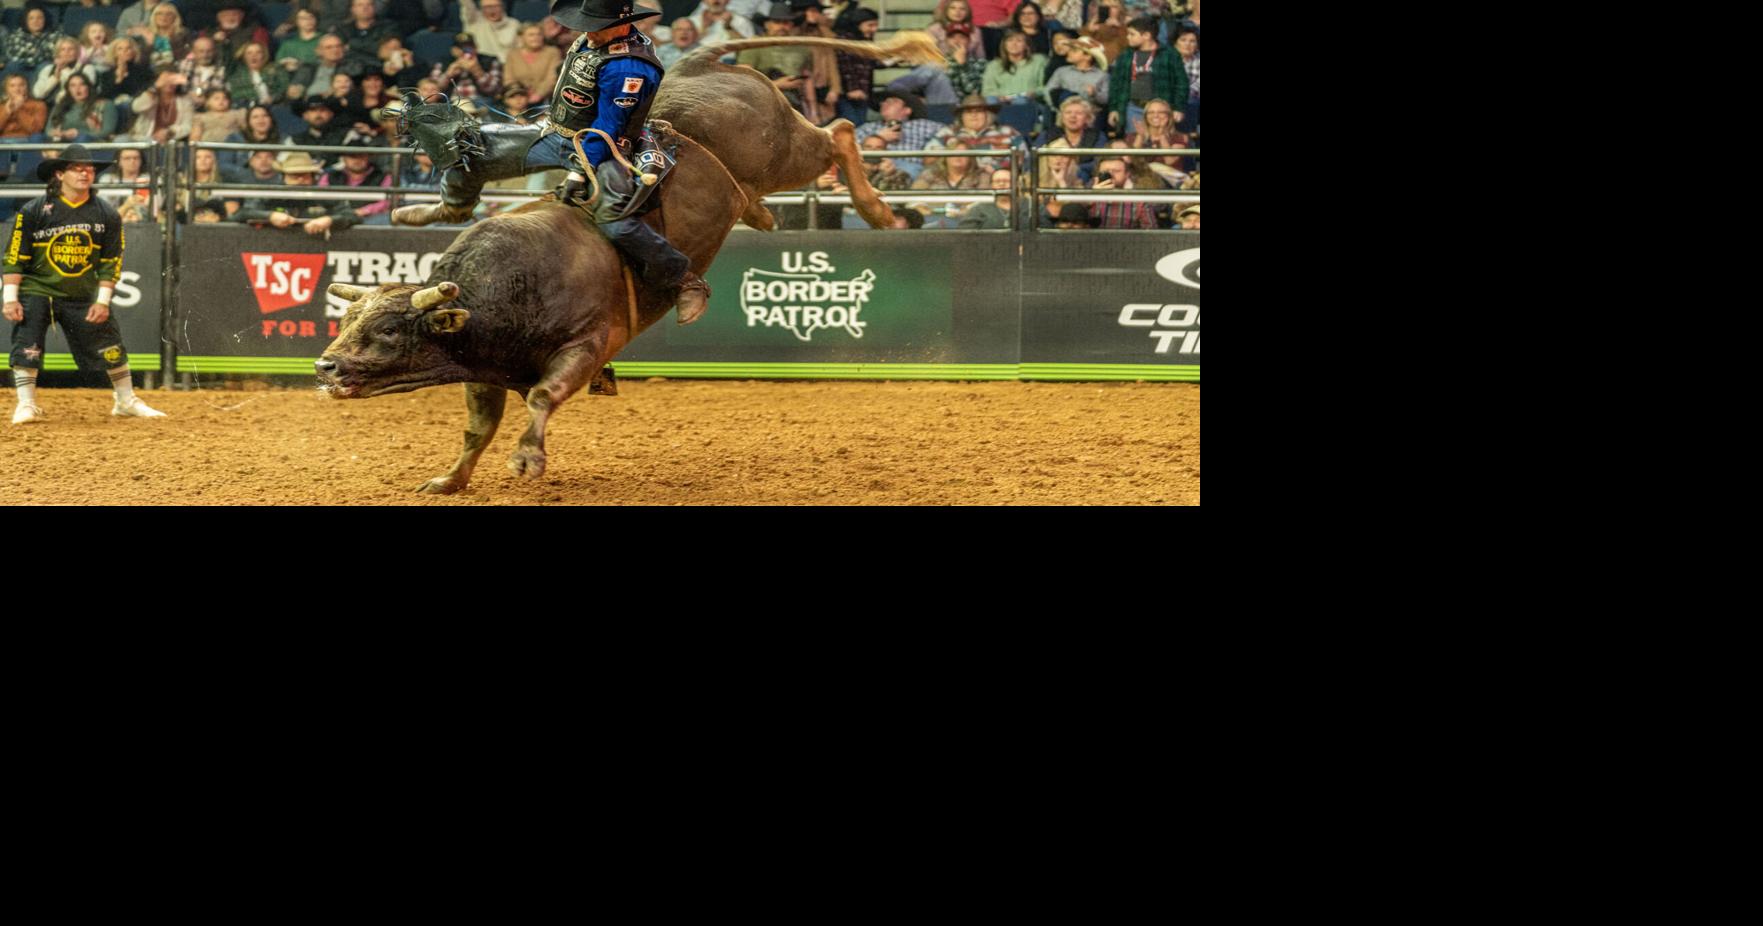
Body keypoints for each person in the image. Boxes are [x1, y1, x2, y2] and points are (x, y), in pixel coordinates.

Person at [391, 0, 710, 326]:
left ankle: (684, 279)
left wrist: (578, 170)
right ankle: (454, 206)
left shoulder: (629, 68)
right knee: (468, 148)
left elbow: (608, 127)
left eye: (596, 24)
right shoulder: (594, 40)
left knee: (617, 222)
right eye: (587, 22)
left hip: (607, 148)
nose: (588, 30)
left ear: (621, 24)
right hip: (557, 131)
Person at [5, 144, 167, 424]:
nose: (85, 173)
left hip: (82, 291)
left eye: (90, 169)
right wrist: (10, 297)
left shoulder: (106, 214)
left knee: (110, 343)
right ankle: (26, 404)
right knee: (27, 344)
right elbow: (15, 256)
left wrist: (102, 300)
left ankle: (126, 400)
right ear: (59, 174)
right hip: (37, 288)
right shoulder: (34, 210)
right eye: (77, 168)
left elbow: (111, 259)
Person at [232, 149, 360, 235]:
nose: (300, 180)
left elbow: (352, 216)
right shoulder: (271, 194)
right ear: (283, 177)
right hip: (274, 248)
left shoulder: (323, 195)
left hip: (318, 247)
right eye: (294, 176)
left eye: (304, 175)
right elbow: (241, 214)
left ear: (313, 177)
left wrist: (330, 220)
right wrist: (270, 216)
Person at [1106, 15, 1184, 138]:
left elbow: (1181, 83)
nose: (1128, 37)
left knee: (1161, 142)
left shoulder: (1170, 54)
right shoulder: (1126, 54)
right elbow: (1116, 83)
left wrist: (1178, 107)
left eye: (1132, 34)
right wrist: (1114, 108)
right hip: (1133, 107)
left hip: (1161, 109)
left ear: (1147, 36)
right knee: (1134, 142)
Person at [853, 90, 944, 179]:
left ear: (907, 110)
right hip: (874, 165)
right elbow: (847, 145)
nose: (883, 104)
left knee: (913, 171)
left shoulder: (922, 125)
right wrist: (879, 137)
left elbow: (949, 133)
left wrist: (934, 147)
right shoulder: (869, 127)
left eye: (892, 102)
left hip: (908, 165)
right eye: (884, 102)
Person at [929, 94, 1021, 172]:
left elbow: (1023, 159)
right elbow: (929, 159)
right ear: (961, 116)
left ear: (988, 114)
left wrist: (996, 168)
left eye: (979, 111)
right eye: (969, 112)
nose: (974, 115)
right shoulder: (946, 133)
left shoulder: (1008, 132)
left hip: (995, 179)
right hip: (957, 180)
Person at [47, 73, 118, 142]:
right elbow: (48, 130)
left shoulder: (105, 105)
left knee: (82, 139)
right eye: (73, 85)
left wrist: (79, 134)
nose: (77, 89)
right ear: (68, 89)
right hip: (61, 141)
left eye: (82, 84)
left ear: (88, 87)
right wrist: (55, 133)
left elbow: (107, 131)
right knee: (37, 138)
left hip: (90, 142)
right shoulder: (60, 106)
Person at [507, 22, 564, 94]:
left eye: (539, 34)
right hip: (518, 97)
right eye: (531, 35)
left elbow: (552, 78)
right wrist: (520, 95)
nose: (536, 37)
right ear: (521, 37)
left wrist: (539, 94)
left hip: (546, 97)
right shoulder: (512, 54)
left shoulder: (553, 52)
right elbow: (508, 79)